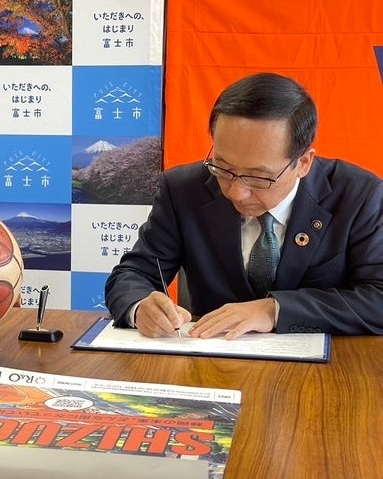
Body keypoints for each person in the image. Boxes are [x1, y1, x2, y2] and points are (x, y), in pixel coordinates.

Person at [105, 72, 383, 339]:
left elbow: (378, 297)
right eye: (223, 167)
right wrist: (140, 307)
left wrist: (275, 310)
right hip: (211, 358)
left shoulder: (359, 195)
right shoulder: (183, 189)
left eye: (259, 177)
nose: (236, 192)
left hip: (325, 365)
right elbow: (132, 274)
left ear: (303, 163)